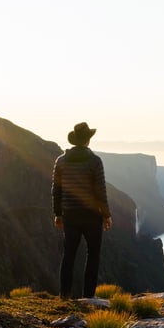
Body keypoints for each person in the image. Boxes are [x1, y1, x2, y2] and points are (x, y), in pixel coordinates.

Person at [51, 122, 113, 298]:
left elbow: (56, 190)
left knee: (69, 255)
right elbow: (100, 191)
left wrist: (58, 214)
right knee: (93, 256)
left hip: (70, 215)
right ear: (88, 140)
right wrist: (107, 215)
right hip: (92, 216)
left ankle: (64, 294)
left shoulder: (61, 161)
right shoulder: (95, 161)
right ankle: (89, 297)